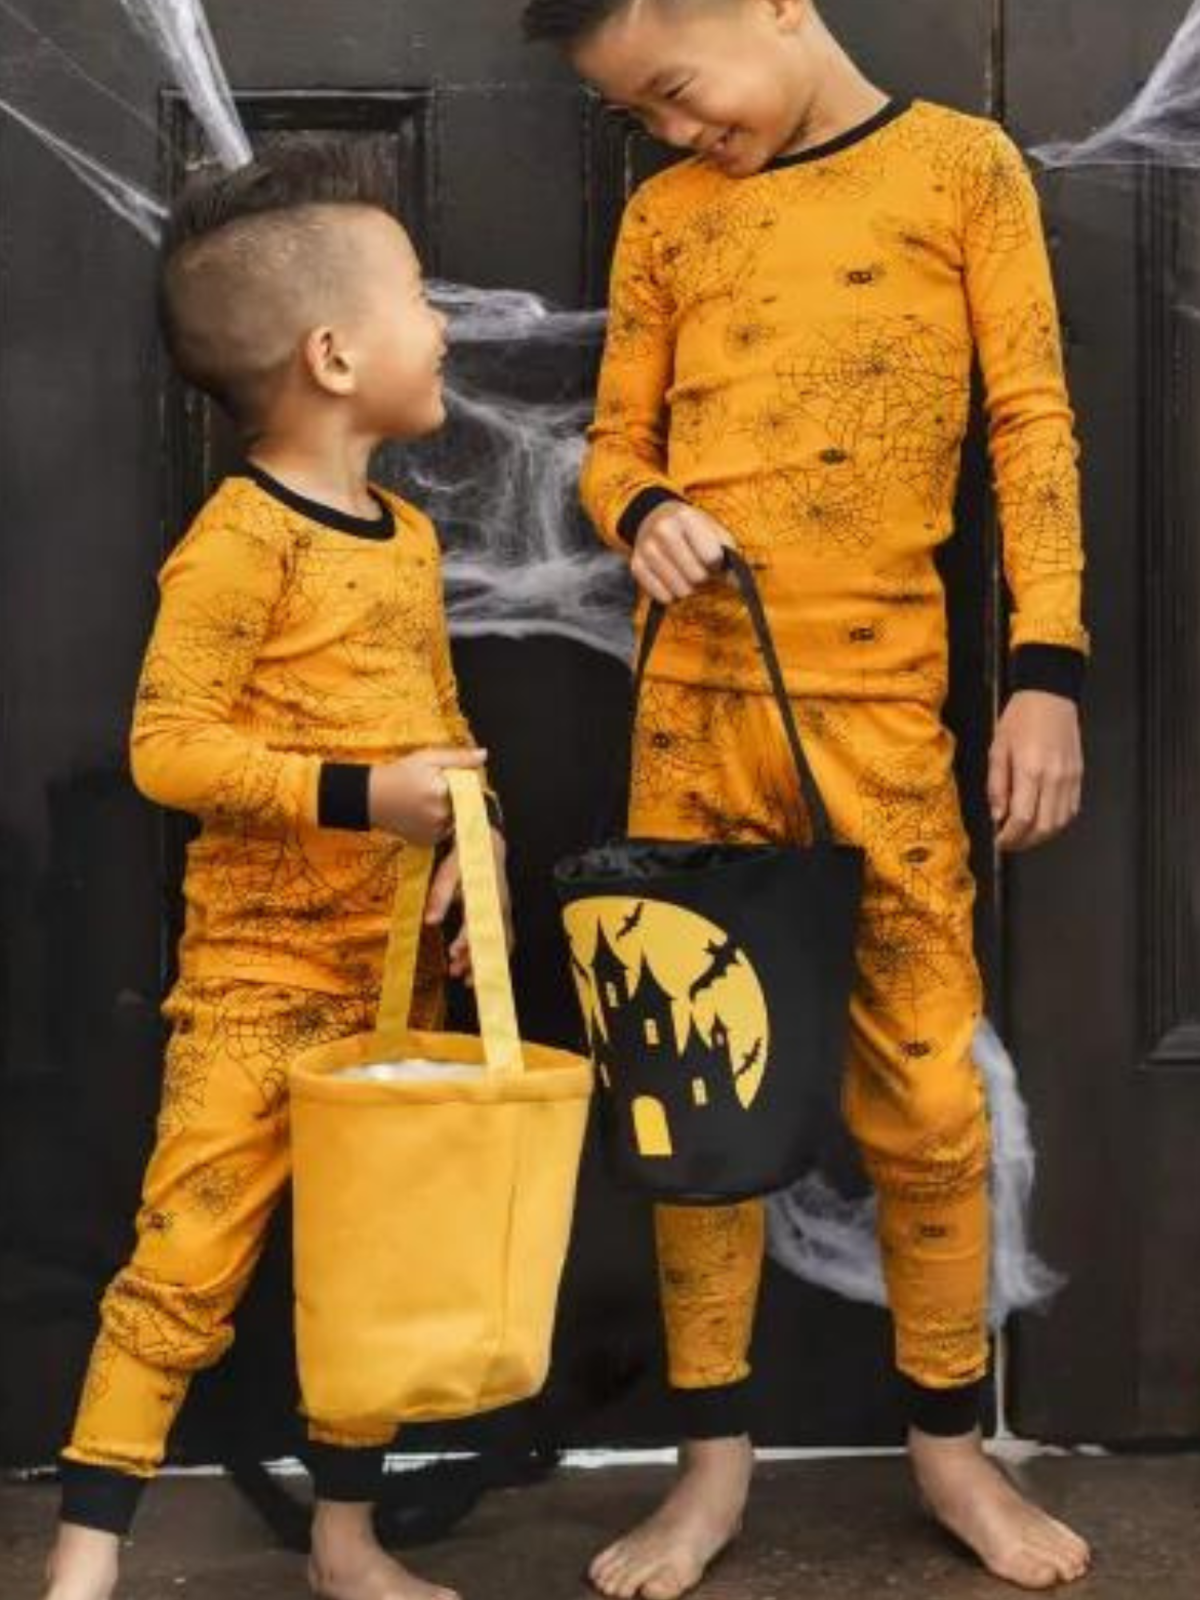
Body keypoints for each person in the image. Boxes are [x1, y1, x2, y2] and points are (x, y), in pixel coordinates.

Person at [523, 0, 1090, 1593]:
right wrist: (641, 506)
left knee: (929, 1098)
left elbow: (1032, 425)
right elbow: (612, 445)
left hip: (882, 724)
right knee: (687, 1099)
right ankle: (711, 1470)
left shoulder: (962, 169)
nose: (675, 133)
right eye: (639, 119)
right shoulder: (667, 220)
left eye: (675, 90)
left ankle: (950, 1450)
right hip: (690, 725)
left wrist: (1046, 668)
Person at [42, 138, 507, 1600]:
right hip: (256, 986)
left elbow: (444, 731)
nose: (443, 324)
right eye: (419, 297)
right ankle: (81, 1568)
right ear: (333, 354)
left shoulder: (409, 540)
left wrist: (473, 845)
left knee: (369, 1275)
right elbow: (167, 749)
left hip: (393, 986)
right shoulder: (239, 542)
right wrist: (366, 797)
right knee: (183, 1262)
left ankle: (346, 1545)